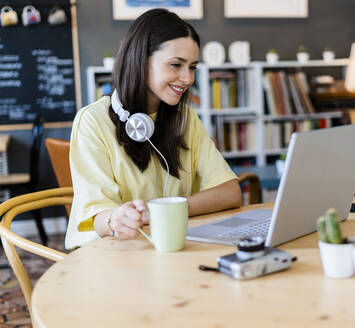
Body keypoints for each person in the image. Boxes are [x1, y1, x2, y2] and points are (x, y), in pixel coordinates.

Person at [65, 9, 241, 249]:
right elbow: (95, 219)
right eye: (176, 65)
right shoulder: (92, 121)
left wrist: (163, 212)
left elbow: (230, 192)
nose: (188, 78)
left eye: (192, 68)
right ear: (140, 60)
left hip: (172, 247)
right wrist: (115, 218)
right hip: (112, 254)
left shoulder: (186, 119)